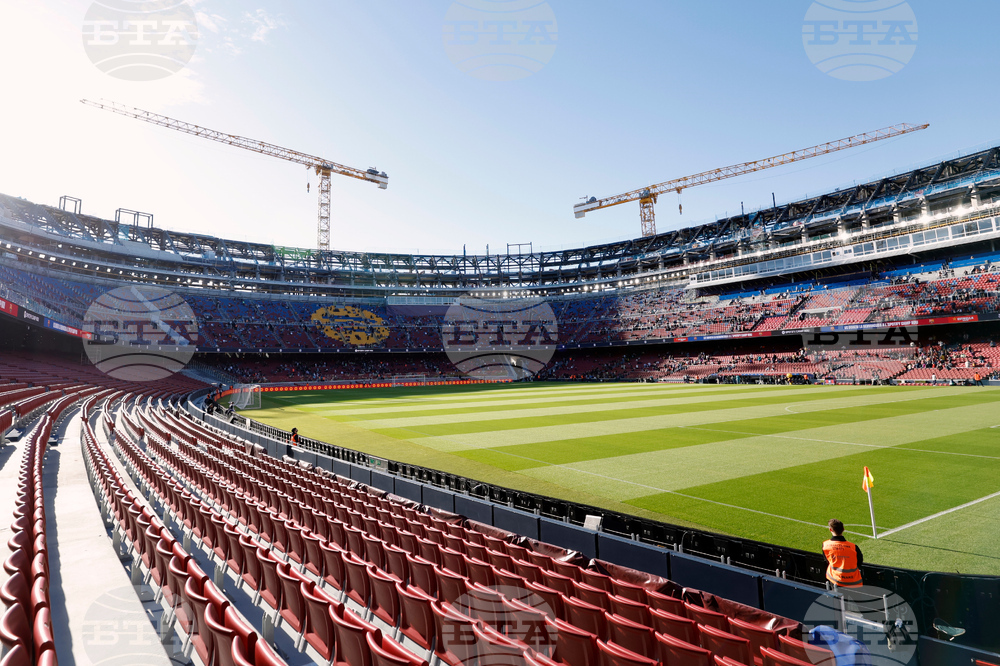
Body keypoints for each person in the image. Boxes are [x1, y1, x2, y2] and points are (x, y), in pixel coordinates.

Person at [823, 519, 863, 589]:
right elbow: (859, 562)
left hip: (835, 580)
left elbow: (826, 560)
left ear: (830, 530)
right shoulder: (853, 547)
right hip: (854, 581)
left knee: (838, 599)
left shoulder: (826, 545)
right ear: (843, 529)